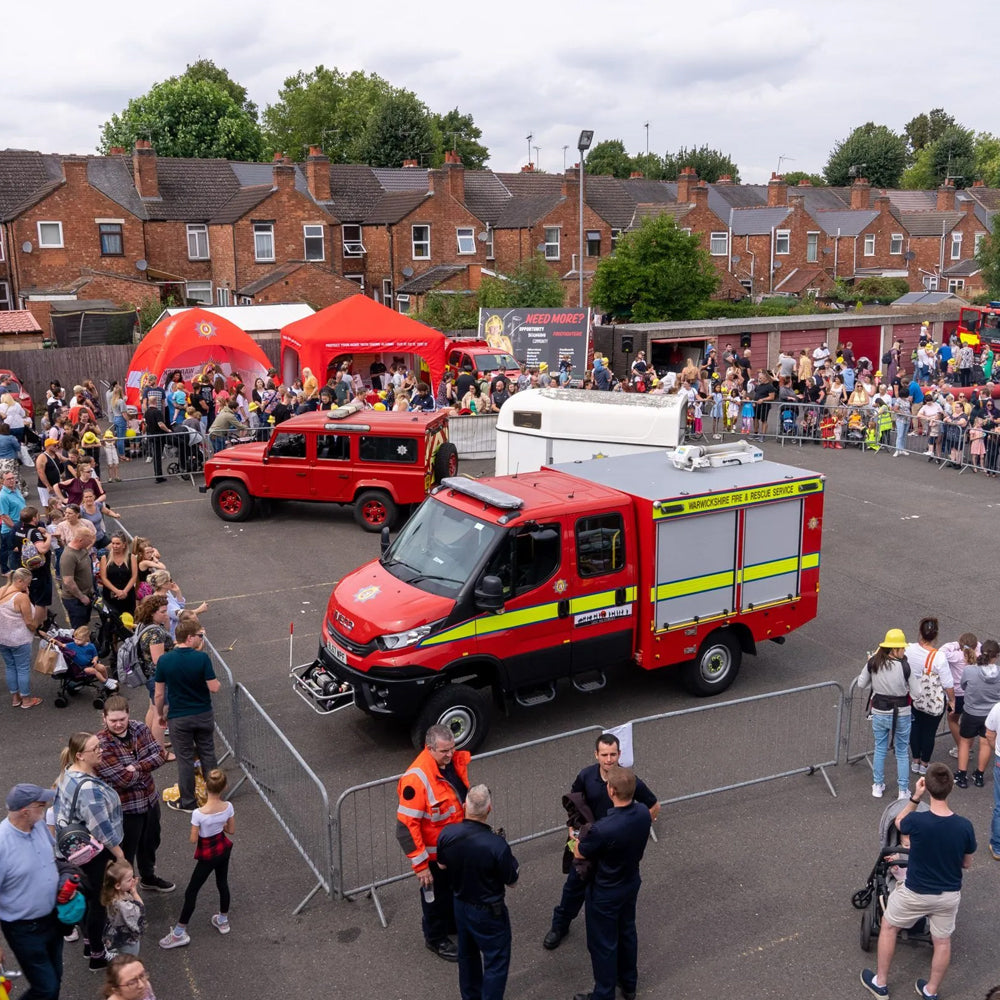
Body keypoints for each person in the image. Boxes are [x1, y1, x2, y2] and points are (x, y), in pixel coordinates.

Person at [861, 764, 976, 1000]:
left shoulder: (918, 822)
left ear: (928, 788)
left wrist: (915, 796)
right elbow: (966, 864)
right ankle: (930, 991)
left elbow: (900, 822)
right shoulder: (965, 827)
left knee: (889, 927)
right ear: (951, 787)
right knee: (942, 942)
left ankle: (880, 983)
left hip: (916, 892)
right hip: (947, 895)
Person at [545, 733, 659, 950]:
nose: (609, 760)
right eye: (604, 755)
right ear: (596, 754)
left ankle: (608, 940)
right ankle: (559, 926)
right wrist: (572, 827)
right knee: (572, 888)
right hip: (588, 847)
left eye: (613, 754)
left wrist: (638, 829)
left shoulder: (628, 781)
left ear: (620, 754)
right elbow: (574, 803)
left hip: (611, 854)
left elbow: (654, 805)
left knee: (608, 901)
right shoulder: (586, 776)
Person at [570, 766, 652, 1000]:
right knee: (627, 932)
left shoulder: (603, 829)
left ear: (611, 790)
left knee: (603, 945)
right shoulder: (644, 814)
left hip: (606, 891)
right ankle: (629, 984)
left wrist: (578, 838)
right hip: (630, 882)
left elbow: (580, 851)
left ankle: (603, 994)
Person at [396, 724, 471, 962]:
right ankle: (435, 938)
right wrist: (420, 867)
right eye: (444, 751)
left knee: (450, 893)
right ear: (429, 749)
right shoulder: (417, 779)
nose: (450, 754)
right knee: (433, 899)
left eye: (452, 748)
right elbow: (405, 829)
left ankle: (450, 926)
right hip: (431, 859)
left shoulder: (449, 765)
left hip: (452, 851)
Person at [436, 784, 519, 1000]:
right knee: (496, 962)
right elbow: (512, 881)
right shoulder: (496, 845)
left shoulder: (448, 834)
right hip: (489, 911)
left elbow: (442, 865)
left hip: (461, 905)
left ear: (464, 806)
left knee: (467, 956)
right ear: (489, 810)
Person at [53, 732, 126, 972]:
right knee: (99, 902)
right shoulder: (88, 790)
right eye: (95, 749)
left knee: (85, 896)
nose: (101, 750)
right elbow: (102, 829)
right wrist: (120, 855)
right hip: (94, 854)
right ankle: (97, 954)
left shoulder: (68, 774)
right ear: (81, 755)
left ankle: (87, 943)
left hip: (73, 851)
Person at [96, 696, 174, 896]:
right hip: (126, 809)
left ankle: (148, 877)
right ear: (104, 718)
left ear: (128, 714)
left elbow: (160, 755)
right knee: (126, 853)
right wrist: (144, 767)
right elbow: (123, 779)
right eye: (113, 720)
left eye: (122, 719)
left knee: (151, 843)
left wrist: (136, 766)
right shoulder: (101, 745)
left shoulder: (139, 728)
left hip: (150, 800)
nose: (118, 723)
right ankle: (125, 891)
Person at [159, 768, 234, 949]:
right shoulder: (229, 807)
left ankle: (179, 932)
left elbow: (193, 839)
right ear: (224, 787)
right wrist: (220, 824)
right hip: (223, 848)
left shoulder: (199, 814)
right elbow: (231, 830)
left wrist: (202, 828)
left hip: (208, 853)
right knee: (222, 883)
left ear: (206, 787)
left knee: (191, 891)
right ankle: (223, 920)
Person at [0, 783, 62, 1000]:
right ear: (26, 811)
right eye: (41, 804)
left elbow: (53, 860)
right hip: (24, 930)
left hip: (53, 920)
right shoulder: (2, 843)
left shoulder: (39, 827)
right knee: (46, 988)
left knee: (55, 979)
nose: (45, 807)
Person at [153, 618, 219, 813]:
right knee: (208, 754)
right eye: (199, 636)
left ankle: (188, 802)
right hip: (203, 713)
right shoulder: (202, 659)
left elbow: (159, 694)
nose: (201, 639)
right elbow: (214, 687)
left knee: (185, 759)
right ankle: (214, 796)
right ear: (189, 638)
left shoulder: (165, 660)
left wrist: (159, 714)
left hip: (179, 717)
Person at [855, 629, 920, 799]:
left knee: (880, 748)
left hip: (879, 711)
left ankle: (877, 785)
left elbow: (861, 683)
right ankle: (903, 790)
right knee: (901, 752)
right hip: (902, 713)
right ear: (894, 649)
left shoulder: (874, 664)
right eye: (902, 648)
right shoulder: (905, 667)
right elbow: (917, 693)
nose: (904, 651)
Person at [906, 618, 955, 776]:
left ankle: (915, 760)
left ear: (920, 632)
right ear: (936, 636)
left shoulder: (909, 649)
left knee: (915, 728)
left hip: (914, 696)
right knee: (929, 732)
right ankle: (924, 763)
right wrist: (952, 700)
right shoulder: (938, 657)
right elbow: (947, 683)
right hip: (933, 700)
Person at [954, 640, 1000, 789]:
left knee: (965, 742)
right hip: (990, 715)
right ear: (997, 655)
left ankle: (962, 775)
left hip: (971, 712)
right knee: (985, 743)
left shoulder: (970, 670)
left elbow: (963, 685)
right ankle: (979, 775)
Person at [101, 859, 145, 958]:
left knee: (122, 952)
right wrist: (134, 892)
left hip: (115, 932)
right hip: (127, 938)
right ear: (117, 885)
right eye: (129, 880)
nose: (133, 881)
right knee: (130, 957)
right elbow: (140, 908)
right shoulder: (123, 905)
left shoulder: (111, 895)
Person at [60, 521, 97, 629]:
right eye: (88, 541)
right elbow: (68, 581)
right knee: (79, 629)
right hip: (75, 600)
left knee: (85, 624)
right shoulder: (69, 556)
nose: (90, 543)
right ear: (80, 540)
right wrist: (81, 597)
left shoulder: (82, 549)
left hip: (87, 595)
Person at [99, 533, 139, 620]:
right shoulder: (105, 558)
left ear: (124, 545)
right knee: (111, 621)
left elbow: (134, 576)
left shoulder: (131, 557)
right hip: (110, 595)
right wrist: (117, 591)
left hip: (128, 595)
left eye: (117, 543)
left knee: (129, 621)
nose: (115, 546)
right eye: (113, 543)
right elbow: (104, 578)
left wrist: (124, 591)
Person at [0, 469, 26, 574]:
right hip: (10, 530)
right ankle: (14, 575)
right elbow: (5, 517)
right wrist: (17, 529)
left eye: (12, 478)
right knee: (12, 554)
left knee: (12, 551)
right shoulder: (3, 496)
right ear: (2, 481)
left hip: (19, 526)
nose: (11, 480)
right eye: (8, 479)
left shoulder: (16, 490)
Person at [35, 438, 63, 508]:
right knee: (48, 506)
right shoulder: (42, 457)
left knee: (58, 504)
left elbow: (66, 459)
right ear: (48, 446)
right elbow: (40, 472)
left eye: (57, 445)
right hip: (45, 487)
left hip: (56, 486)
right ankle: (49, 518)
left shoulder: (57, 455)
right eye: (54, 445)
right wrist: (48, 486)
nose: (57, 447)